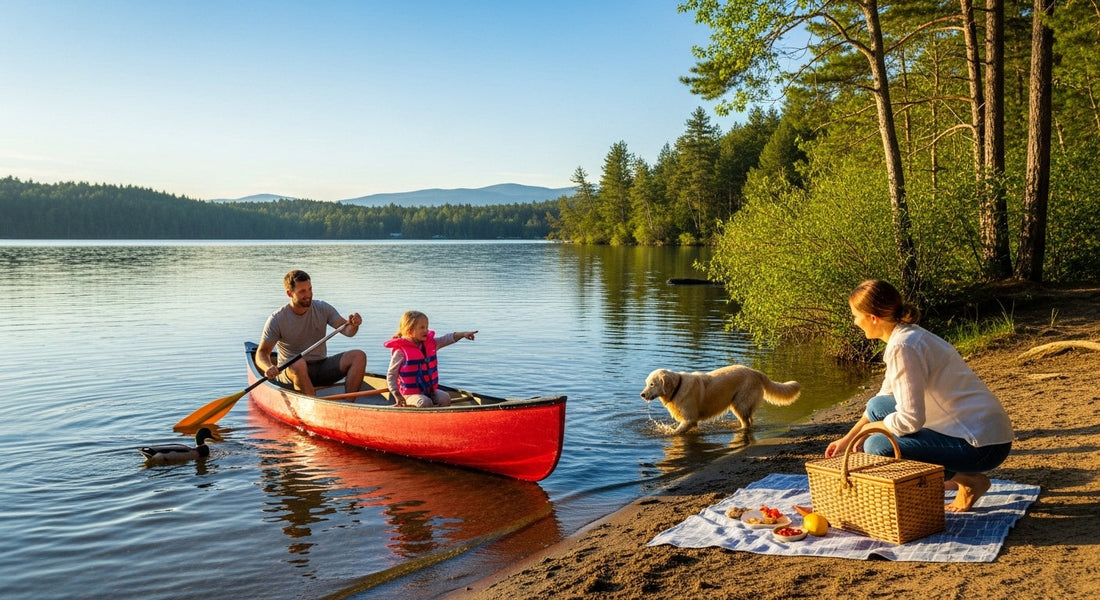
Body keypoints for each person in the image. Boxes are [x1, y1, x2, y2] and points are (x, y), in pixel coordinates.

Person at [825, 279, 1014, 513]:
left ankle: (968, 481)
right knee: (877, 405)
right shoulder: (905, 337)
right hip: (977, 430)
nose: (855, 322)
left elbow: (911, 420)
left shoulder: (903, 347)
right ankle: (965, 480)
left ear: (873, 318)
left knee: (877, 444)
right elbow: (884, 397)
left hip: (981, 445)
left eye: (856, 315)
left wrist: (871, 430)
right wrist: (848, 439)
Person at [256, 269, 367, 397]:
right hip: (291, 372)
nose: (308, 294)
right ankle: (313, 406)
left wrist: (354, 324)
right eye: (302, 291)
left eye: (310, 289)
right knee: (298, 363)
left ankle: (349, 403)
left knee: (359, 356)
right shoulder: (277, 319)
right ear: (289, 293)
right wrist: (268, 367)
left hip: (320, 367)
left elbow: (348, 331)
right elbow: (262, 353)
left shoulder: (322, 308)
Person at [383, 310, 477, 407]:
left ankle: (439, 420)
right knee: (424, 402)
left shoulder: (431, 344)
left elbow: (446, 338)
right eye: (422, 328)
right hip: (409, 394)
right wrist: (396, 394)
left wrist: (463, 334)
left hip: (429, 390)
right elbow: (391, 375)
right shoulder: (401, 352)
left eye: (427, 327)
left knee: (445, 397)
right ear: (409, 330)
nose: (426, 330)